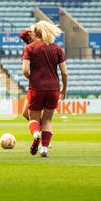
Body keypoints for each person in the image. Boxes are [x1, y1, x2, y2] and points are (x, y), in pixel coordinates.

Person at [22, 21, 68, 158]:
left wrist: (32, 78)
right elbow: (64, 72)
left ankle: (36, 135)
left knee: (33, 118)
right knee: (47, 120)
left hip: (37, 87)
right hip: (54, 88)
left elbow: (25, 70)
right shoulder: (57, 49)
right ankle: (44, 149)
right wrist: (64, 88)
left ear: (36, 33)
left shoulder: (30, 48)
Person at [19, 24, 38, 121]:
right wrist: (29, 30)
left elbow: (22, 35)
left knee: (29, 113)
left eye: (32, 32)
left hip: (38, 84)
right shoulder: (30, 45)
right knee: (26, 114)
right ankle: (40, 130)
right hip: (33, 84)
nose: (29, 35)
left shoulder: (42, 45)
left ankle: (43, 131)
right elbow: (22, 35)